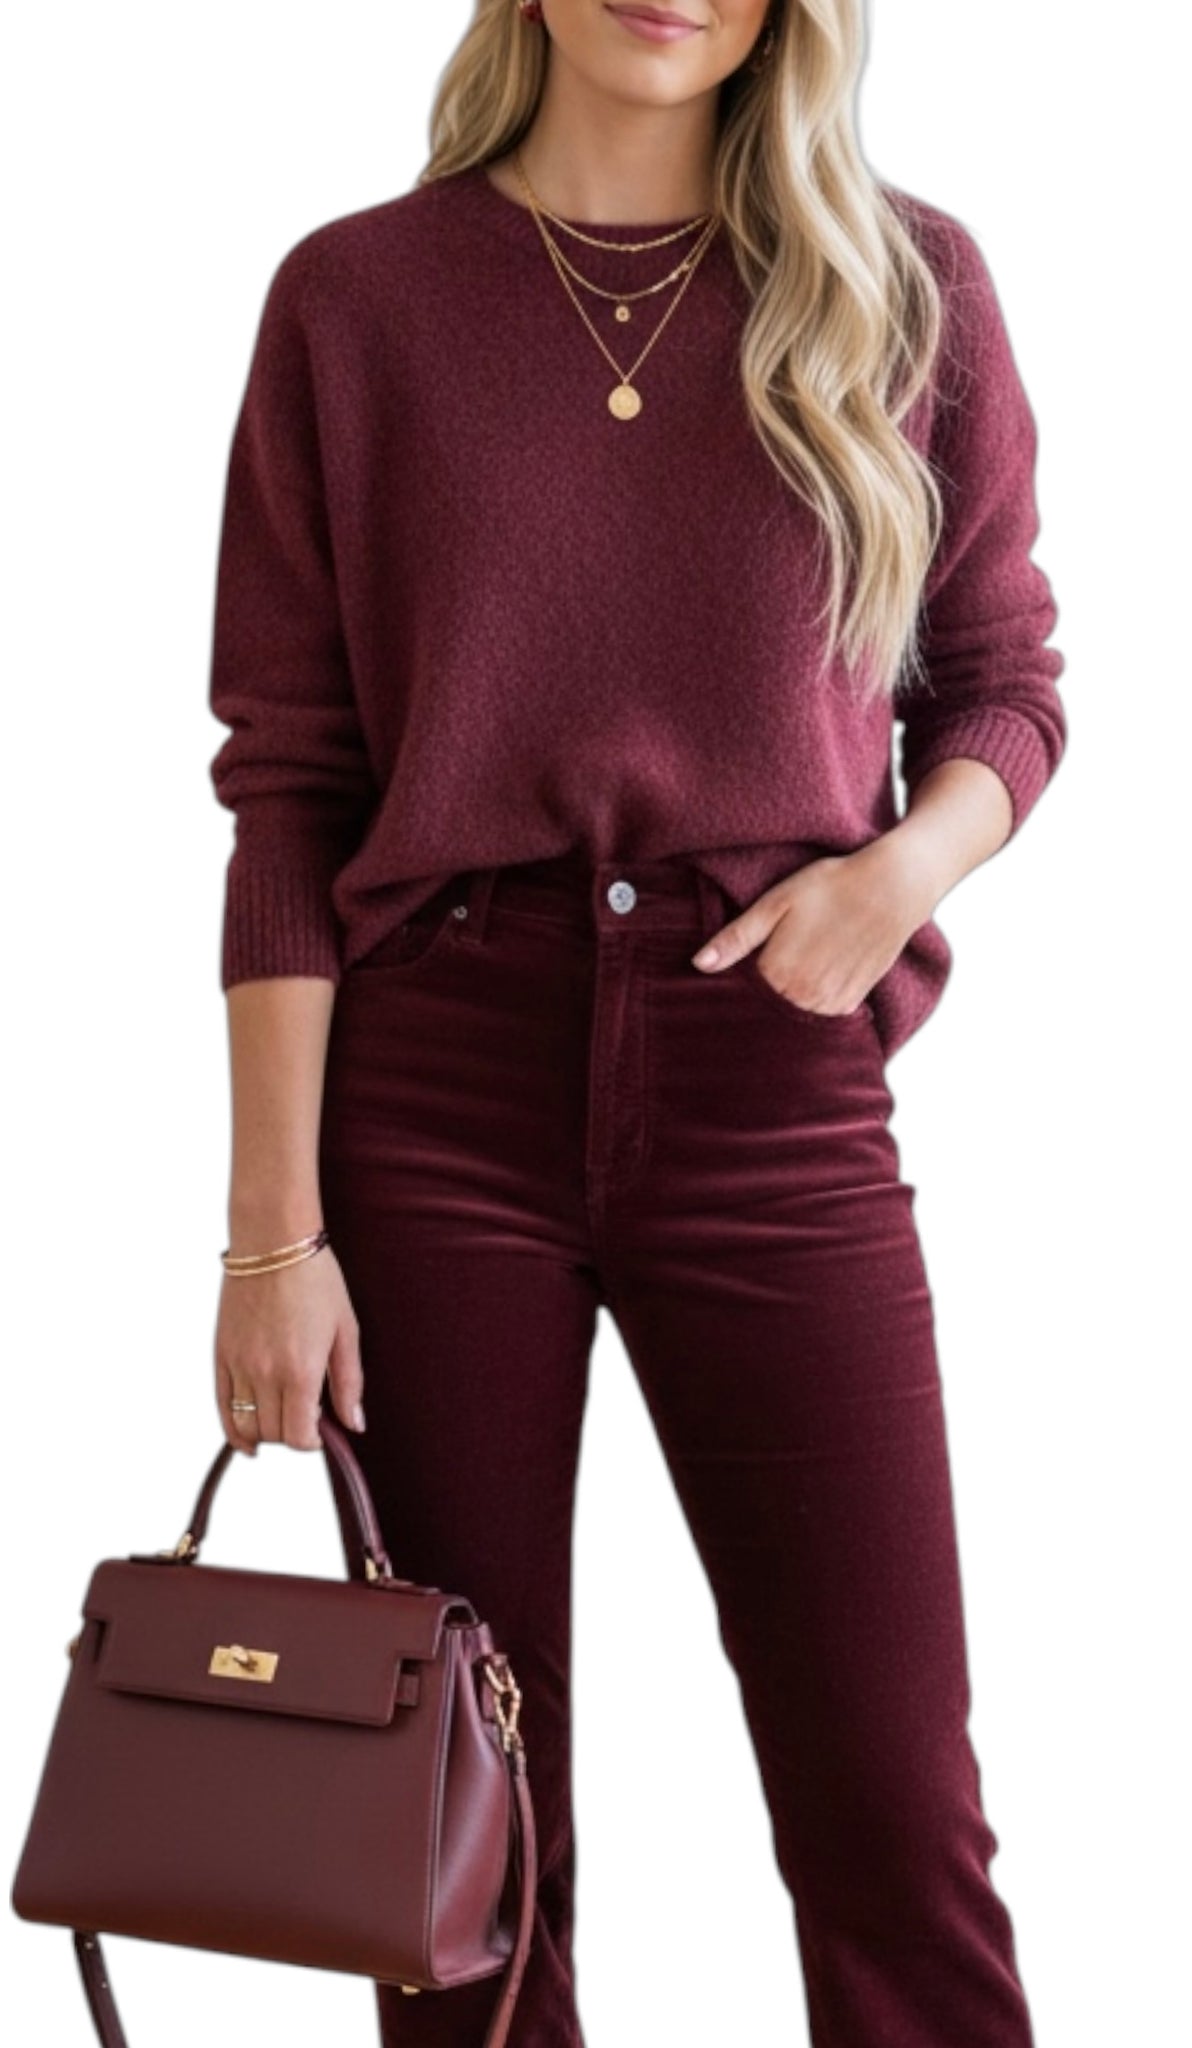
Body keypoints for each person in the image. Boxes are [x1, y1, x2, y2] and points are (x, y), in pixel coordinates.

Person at [205, 2, 1066, 2043]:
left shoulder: (904, 282)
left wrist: (889, 880)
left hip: (770, 1073)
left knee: (891, 1809)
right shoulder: (358, 302)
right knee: (457, 1845)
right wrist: (269, 1236)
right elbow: (291, 790)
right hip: (430, 1091)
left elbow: (1003, 686)